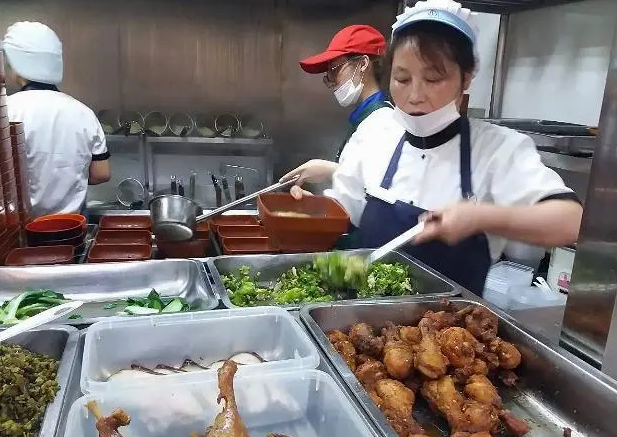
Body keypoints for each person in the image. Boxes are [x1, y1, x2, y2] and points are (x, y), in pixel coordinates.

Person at [292, 0, 583, 295]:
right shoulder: (377, 132)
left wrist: (482, 217)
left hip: (448, 330)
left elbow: (571, 221)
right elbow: (344, 205)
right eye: (402, 78)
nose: (415, 95)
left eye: (433, 78)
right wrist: (304, 213)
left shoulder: (497, 149)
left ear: (466, 77)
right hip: (359, 322)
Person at [2, 21, 111, 218]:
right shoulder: (83, 112)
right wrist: (66, 177)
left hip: (21, 231)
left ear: (17, 67)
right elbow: (101, 173)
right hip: (71, 229)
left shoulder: (7, 110)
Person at [283, 24, 393, 193]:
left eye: (334, 71)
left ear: (363, 63)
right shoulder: (366, 119)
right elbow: (353, 198)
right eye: (328, 77)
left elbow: (376, 194)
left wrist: (330, 170)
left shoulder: (384, 122)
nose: (332, 83)